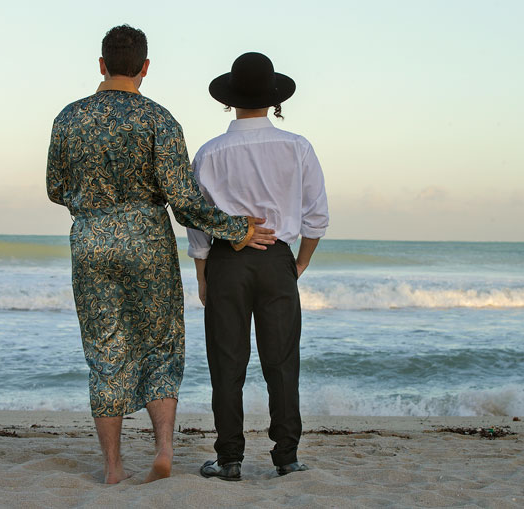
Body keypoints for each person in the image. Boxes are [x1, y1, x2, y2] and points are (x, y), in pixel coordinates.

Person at [46, 28, 276, 484]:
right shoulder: (159, 119)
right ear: (145, 67)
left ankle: (112, 469)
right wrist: (237, 230)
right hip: (148, 243)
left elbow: (55, 189)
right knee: (161, 346)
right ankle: (164, 449)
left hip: (91, 242)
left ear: (101, 64)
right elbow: (183, 198)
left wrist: (93, 207)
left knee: (105, 351)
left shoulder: (68, 118)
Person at [187, 52, 329, 480]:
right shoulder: (297, 146)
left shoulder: (210, 152)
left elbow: (197, 220)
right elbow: (316, 216)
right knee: (281, 361)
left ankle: (229, 459)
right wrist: (298, 263)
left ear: (229, 100)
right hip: (278, 261)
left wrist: (202, 273)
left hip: (227, 262)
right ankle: (286, 456)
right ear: (274, 99)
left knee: (226, 364)